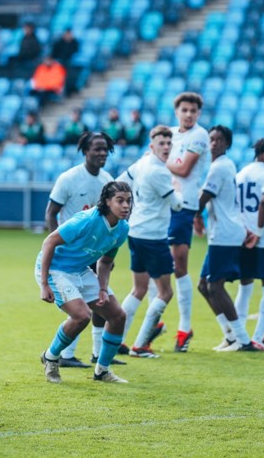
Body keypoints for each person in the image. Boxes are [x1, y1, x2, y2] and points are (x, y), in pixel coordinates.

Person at [38, 181, 133, 384]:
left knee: (118, 316)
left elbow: (106, 261)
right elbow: (49, 242)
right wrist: (44, 283)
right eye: (120, 201)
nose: (126, 206)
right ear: (107, 202)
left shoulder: (122, 229)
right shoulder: (87, 220)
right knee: (82, 316)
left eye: (128, 201)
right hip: (56, 269)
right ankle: (51, 357)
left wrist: (103, 288)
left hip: (80, 269)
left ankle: (102, 371)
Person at [45, 132, 116, 369]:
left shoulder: (107, 181)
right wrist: (57, 243)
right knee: (80, 308)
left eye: (105, 149)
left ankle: (97, 352)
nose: (102, 153)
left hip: (95, 249)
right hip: (70, 253)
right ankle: (66, 354)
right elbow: (51, 212)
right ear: (85, 151)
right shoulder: (69, 178)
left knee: (101, 302)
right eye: (97, 149)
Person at [116, 125, 183, 357]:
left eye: (168, 143)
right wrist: (177, 188)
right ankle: (141, 344)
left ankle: (116, 339)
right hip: (154, 237)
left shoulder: (142, 163)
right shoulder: (160, 172)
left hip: (135, 232)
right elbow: (177, 204)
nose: (166, 147)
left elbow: (120, 181)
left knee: (139, 289)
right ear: (152, 146)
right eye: (161, 144)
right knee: (165, 293)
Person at [193, 125, 257, 352]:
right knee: (204, 286)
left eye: (220, 140)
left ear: (227, 144)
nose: (214, 143)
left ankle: (243, 340)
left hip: (225, 232)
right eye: (211, 139)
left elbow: (203, 198)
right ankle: (230, 335)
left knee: (215, 286)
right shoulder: (224, 166)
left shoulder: (219, 167)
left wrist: (191, 215)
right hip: (222, 231)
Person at [165, 92, 209, 352]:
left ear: (198, 113)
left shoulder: (199, 135)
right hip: (164, 204)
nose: (189, 114)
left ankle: (185, 326)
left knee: (179, 266)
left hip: (184, 206)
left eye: (193, 110)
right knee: (153, 266)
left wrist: (157, 158)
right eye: (185, 110)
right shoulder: (171, 134)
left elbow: (184, 170)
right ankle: (153, 323)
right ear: (177, 111)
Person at [233, 137, 264, 345]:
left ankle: (238, 336)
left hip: (244, 236)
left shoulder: (242, 173)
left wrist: (244, 229)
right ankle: (260, 337)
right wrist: (259, 231)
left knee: (244, 287)